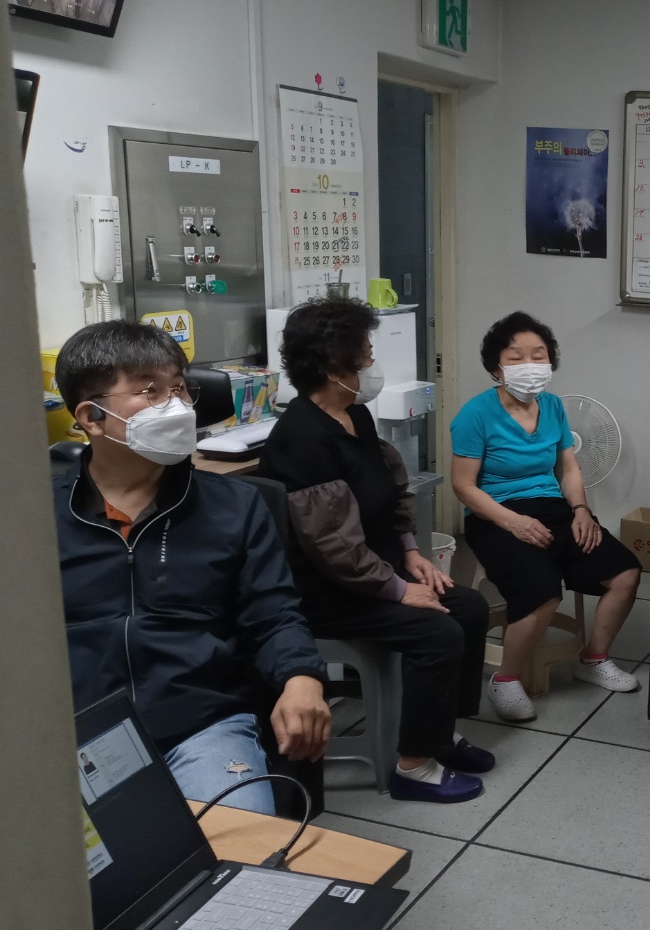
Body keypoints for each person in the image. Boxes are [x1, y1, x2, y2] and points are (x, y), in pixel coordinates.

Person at [53, 321, 330, 815]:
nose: (176, 405)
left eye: (179, 388)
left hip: (202, 724)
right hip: (77, 729)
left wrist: (302, 678)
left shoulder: (234, 506)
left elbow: (274, 613)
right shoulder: (37, 518)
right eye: (150, 391)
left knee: (239, 853)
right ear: (92, 417)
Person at [260, 297, 493, 804]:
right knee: (437, 632)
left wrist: (410, 553)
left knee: (470, 608)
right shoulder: (301, 439)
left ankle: (437, 733)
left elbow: (389, 492)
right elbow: (332, 546)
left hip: (376, 573)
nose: (372, 362)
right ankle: (414, 767)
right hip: (330, 591)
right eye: (364, 352)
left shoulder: (355, 416)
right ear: (331, 365)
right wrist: (399, 591)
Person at [451, 311, 642, 723]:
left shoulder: (553, 406)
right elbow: (463, 486)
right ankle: (506, 680)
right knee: (542, 590)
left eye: (538, 355)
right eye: (516, 357)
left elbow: (568, 469)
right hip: (494, 515)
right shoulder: (475, 414)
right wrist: (512, 522)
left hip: (553, 508)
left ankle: (593, 660)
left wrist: (582, 511)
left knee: (625, 572)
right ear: (495, 368)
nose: (530, 365)